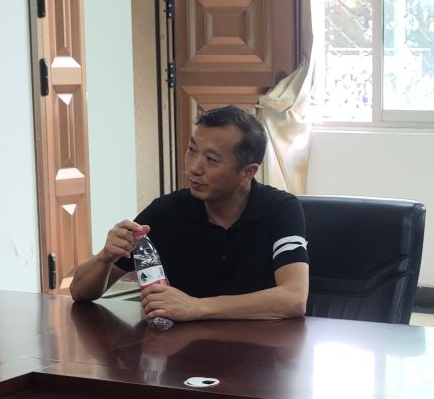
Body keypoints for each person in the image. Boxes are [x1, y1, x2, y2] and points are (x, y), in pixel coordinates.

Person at [68, 104, 309, 323]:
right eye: (192, 150)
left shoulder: (280, 209)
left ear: (247, 172)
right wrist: (105, 258)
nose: (193, 167)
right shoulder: (167, 211)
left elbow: (294, 298)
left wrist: (196, 307)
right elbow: (79, 292)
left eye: (211, 159)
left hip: (261, 350)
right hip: (182, 350)